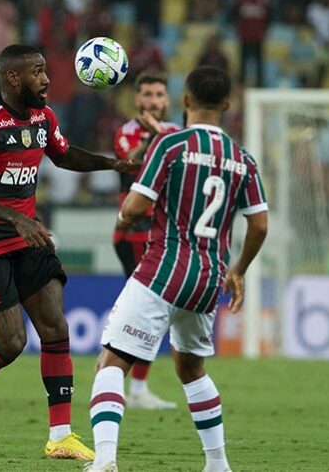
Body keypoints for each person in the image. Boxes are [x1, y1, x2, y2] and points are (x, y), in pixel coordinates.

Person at [0, 44, 139, 460]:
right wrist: (16, 219)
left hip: (27, 240)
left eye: (45, 71)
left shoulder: (43, 117)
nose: (47, 80)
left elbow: (63, 155)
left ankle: (60, 435)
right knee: (11, 342)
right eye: (37, 72)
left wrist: (113, 165)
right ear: (12, 78)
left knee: (56, 329)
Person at [86, 66, 269, 472]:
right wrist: (238, 269)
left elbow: (134, 208)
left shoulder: (171, 145)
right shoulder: (244, 160)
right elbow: (259, 224)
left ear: (185, 101)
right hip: (209, 279)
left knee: (110, 361)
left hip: (164, 269)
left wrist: (122, 219)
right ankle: (218, 463)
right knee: (191, 368)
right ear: (227, 104)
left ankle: (104, 460)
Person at [111, 71, 181, 411]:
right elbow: (130, 165)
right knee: (147, 311)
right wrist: (152, 138)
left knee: (154, 311)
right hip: (134, 233)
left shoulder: (177, 135)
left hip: (162, 234)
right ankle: (131, 386)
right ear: (137, 100)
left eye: (159, 94)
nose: (153, 100)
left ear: (167, 100)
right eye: (148, 94)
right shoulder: (129, 133)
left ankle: (130, 385)